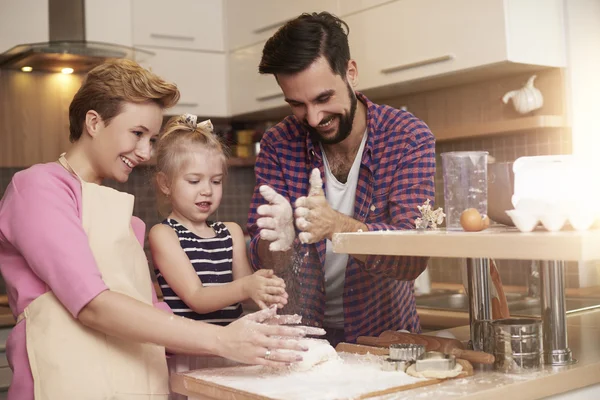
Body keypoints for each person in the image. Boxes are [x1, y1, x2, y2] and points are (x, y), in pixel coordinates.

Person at [0, 59, 319, 400]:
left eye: (151, 139)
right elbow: (93, 304)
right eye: (137, 134)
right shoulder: (38, 188)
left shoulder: (125, 218)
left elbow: (153, 316)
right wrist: (221, 339)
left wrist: (253, 337)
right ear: (93, 122)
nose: (144, 152)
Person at [247, 12, 436, 346]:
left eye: (323, 98)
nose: (314, 117)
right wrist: (279, 242)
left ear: (351, 73)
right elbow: (263, 258)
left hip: (383, 338)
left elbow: (412, 257)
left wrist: (336, 226)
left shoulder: (408, 138)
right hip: (302, 340)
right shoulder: (278, 144)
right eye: (297, 105)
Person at [149, 114, 290, 380]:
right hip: (189, 356)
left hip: (233, 352)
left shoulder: (232, 232)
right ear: (165, 184)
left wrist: (267, 287)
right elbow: (197, 298)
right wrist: (246, 286)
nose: (207, 191)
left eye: (215, 181)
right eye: (194, 181)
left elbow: (246, 293)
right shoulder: (164, 234)